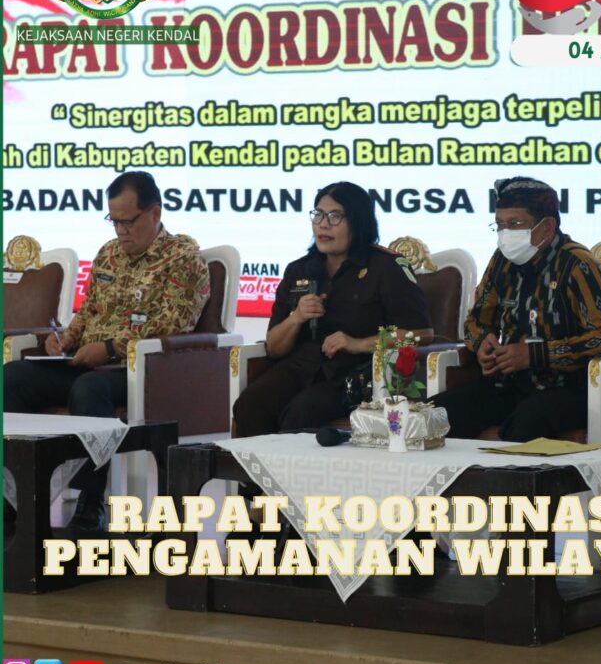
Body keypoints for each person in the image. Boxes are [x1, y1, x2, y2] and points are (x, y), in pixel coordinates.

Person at [4, 171, 210, 532]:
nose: (120, 231)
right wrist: (64, 338)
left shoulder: (183, 258)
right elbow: (87, 313)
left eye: (128, 221)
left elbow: (173, 325)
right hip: (86, 361)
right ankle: (16, 497)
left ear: (155, 212)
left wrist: (111, 348)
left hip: (139, 370)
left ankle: (91, 501)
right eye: (113, 221)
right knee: (11, 378)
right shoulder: (108, 254)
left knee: (89, 389)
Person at [430, 177, 601, 440]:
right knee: (436, 414)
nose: (505, 233)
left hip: (571, 388)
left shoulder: (577, 264)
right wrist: (482, 343)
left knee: (528, 419)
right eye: (500, 224)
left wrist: (537, 355)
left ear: (547, 227)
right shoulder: (502, 261)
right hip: (511, 384)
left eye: (515, 224)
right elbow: (476, 321)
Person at [233, 181, 433, 437]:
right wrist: (296, 318)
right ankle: (255, 466)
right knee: (250, 404)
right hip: (301, 367)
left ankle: (293, 466)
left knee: (300, 413)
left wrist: (358, 343)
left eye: (335, 216)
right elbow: (273, 347)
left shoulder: (386, 267)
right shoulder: (300, 269)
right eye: (318, 215)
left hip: (355, 374)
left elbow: (422, 333)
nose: (323, 224)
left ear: (358, 222)